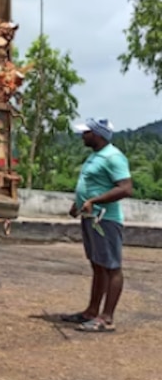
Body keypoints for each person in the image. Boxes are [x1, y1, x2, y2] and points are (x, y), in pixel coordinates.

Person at [59, 117, 133, 333]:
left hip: (105, 220)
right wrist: (78, 203)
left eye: (87, 132)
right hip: (91, 218)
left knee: (112, 267)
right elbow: (92, 184)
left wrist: (94, 201)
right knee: (98, 265)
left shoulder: (114, 157)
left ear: (98, 135)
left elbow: (126, 188)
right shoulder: (95, 156)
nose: (83, 135)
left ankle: (106, 318)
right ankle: (91, 312)